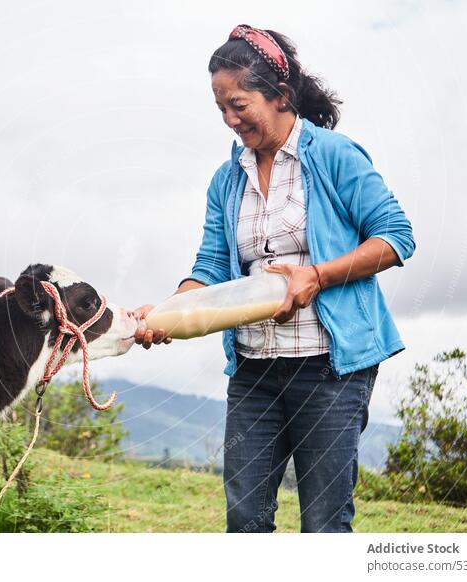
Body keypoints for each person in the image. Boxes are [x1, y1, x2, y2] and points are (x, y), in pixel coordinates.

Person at [131, 25, 415, 533]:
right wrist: (166, 314)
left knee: (324, 522)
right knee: (245, 519)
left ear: (281, 95)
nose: (230, 119)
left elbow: (396, 237)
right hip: (254, 371)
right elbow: (211, 266)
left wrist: (317, 275)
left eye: (239, 104)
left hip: (330, 370)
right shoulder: (228, 178)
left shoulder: (334, 156)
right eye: (220, 108)